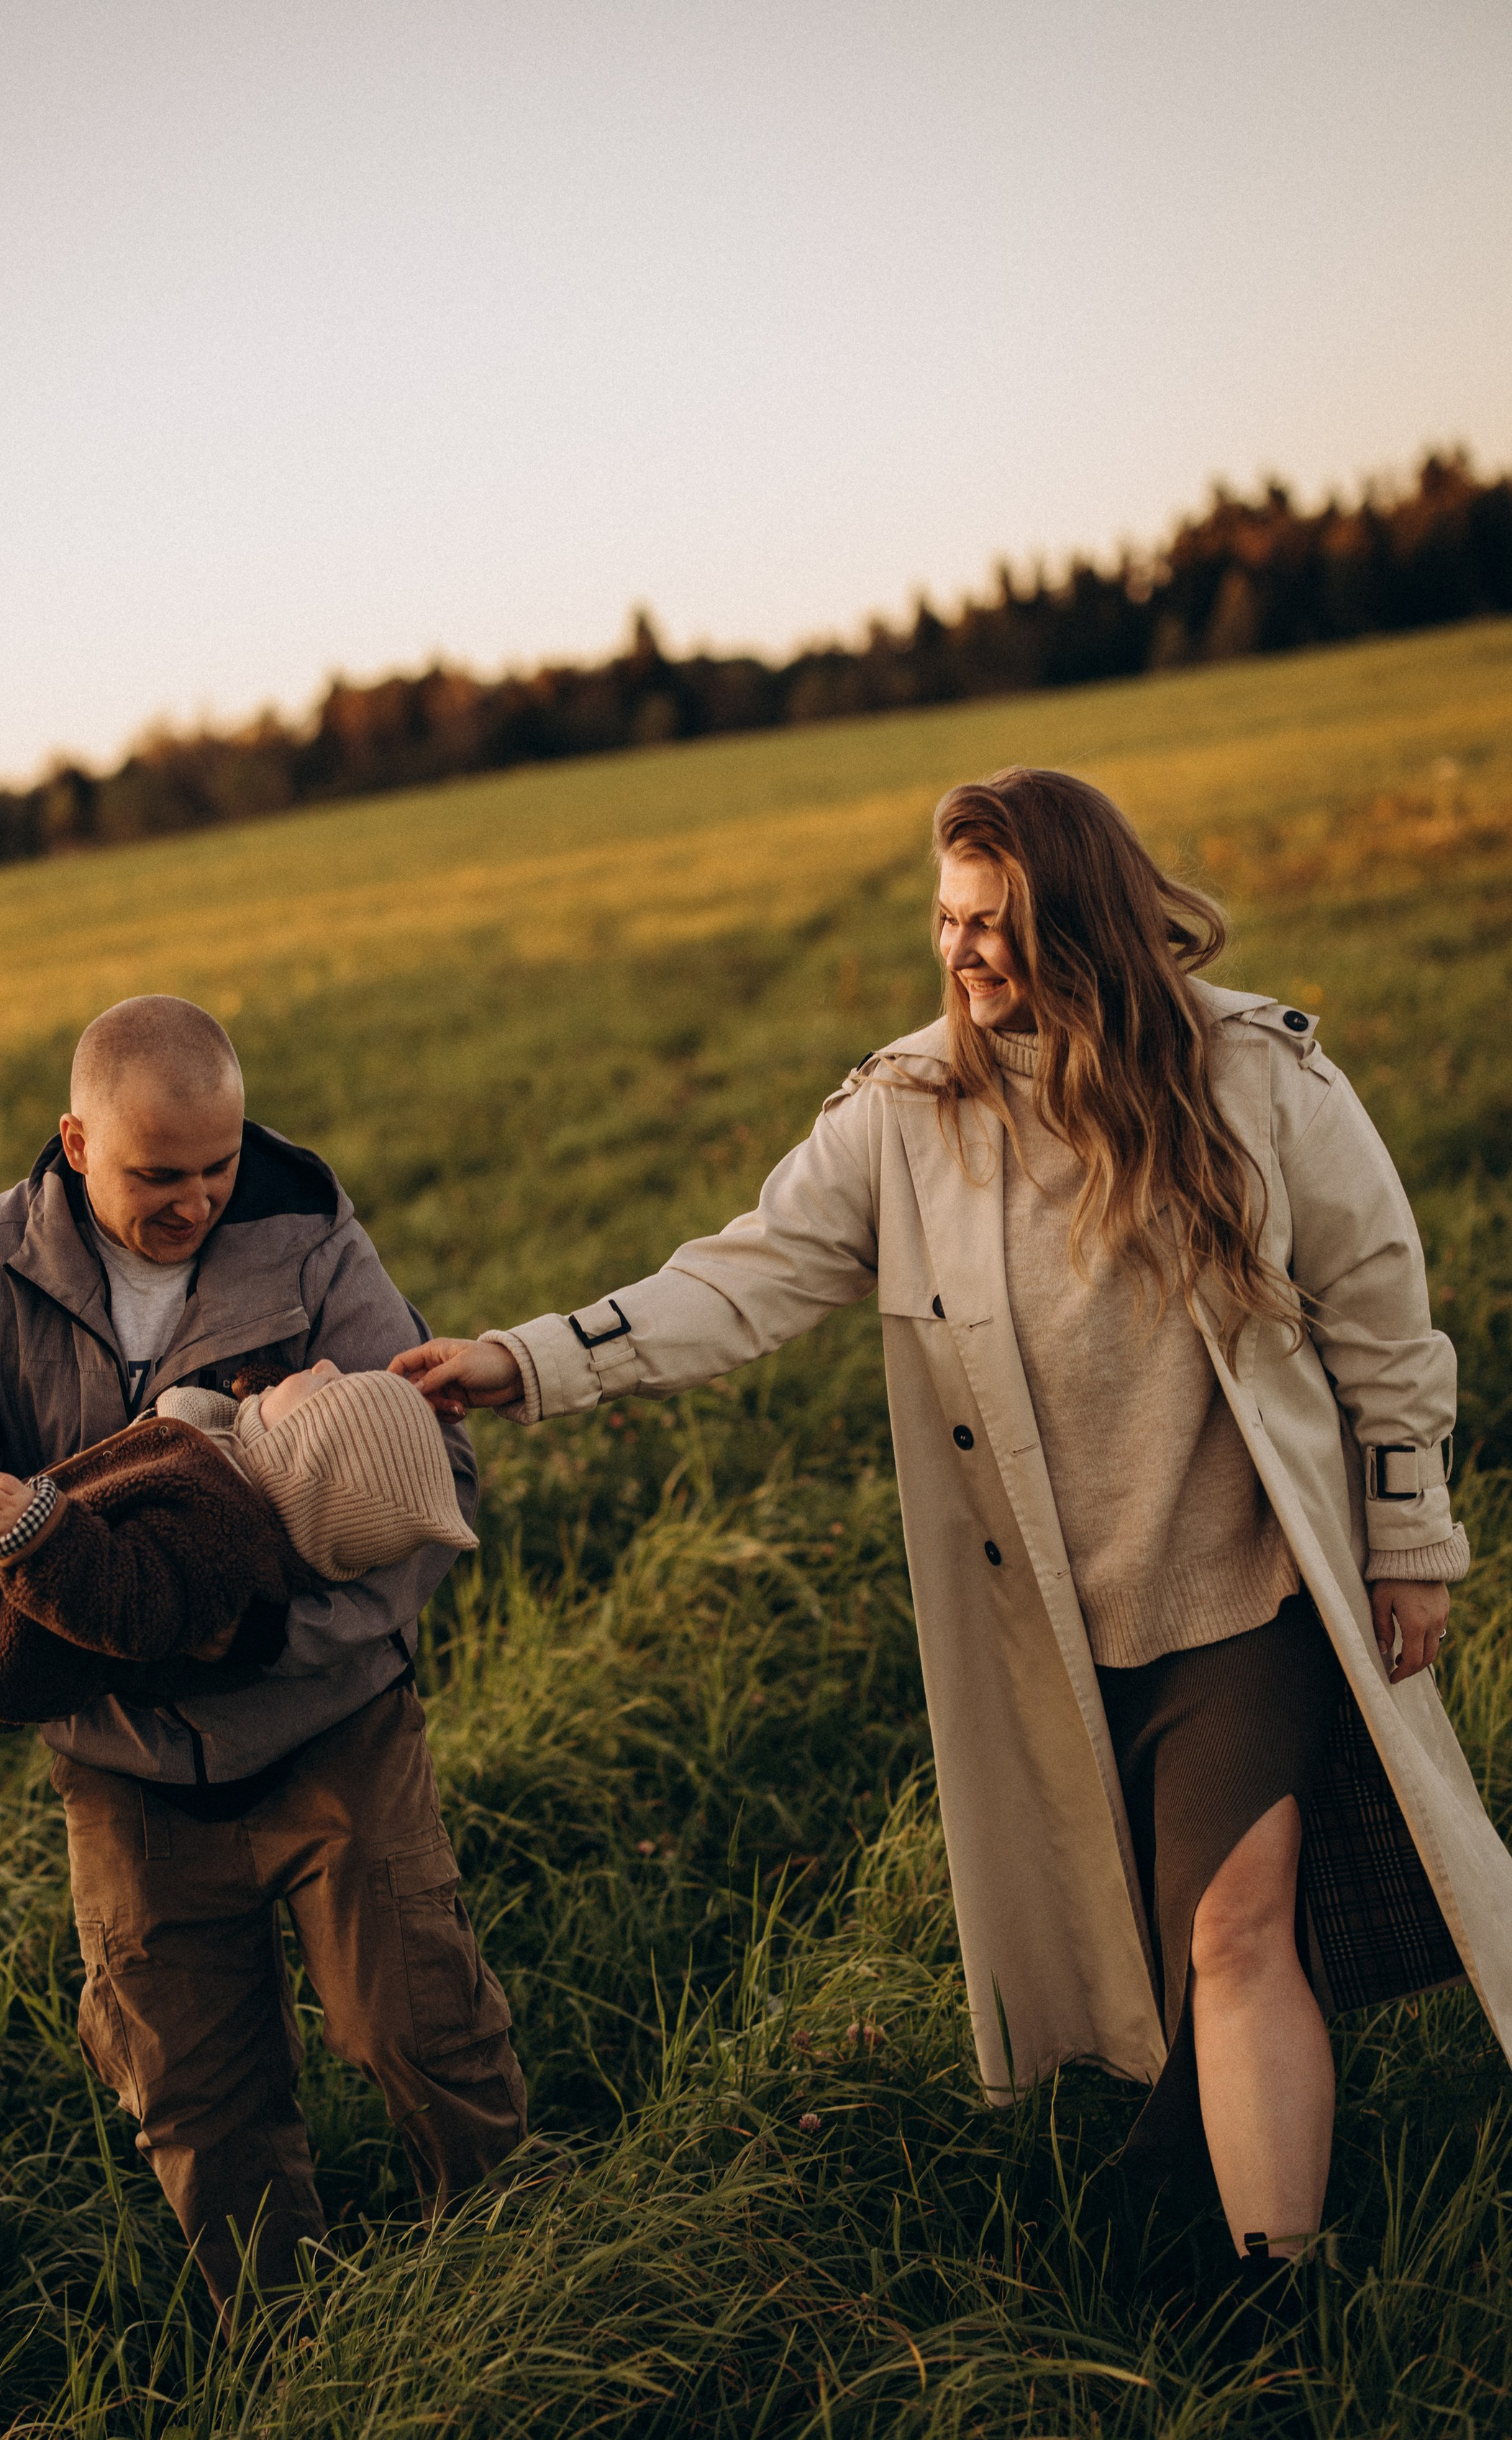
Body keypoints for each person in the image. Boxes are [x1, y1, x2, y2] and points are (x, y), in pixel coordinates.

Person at [394, 768, 1512, 2308]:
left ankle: (1278, 2298)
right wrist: (530, 1360)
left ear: (1085, 918)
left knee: (1241, 1926)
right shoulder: (902, 1120)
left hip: (1242, 1591)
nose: (965, 953)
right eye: (945, 919)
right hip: (1045, 1626)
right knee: (1146, 1953)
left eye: (997, 921)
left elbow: (1382, 1313)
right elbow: (742, 1277)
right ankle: (1184, 2192)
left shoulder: (1253, 1077)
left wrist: (1406, 1537)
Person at [0, 993, 525, 2315]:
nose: (196, 1202)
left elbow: (426, 1479)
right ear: (74, 1141)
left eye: (218, 1168)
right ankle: (284, 2347)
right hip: (119, 1766)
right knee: (190, 2089)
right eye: (159, 1176)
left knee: (416, 2025)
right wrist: (18, 1642)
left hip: (331, 1724)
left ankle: (521, 2276)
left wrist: (266, 1629)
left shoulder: (309, 1244)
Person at [0, 1360, 478, 1762]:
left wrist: (41, 1534)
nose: (320, 1362)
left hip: (25, 1618)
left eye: (326, 1387)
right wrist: (259, 1391)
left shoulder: (219, 1529)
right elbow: (219, 1414)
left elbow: (134, 1601)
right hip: (32, 1619)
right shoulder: (245, 1500)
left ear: (302, 1454)